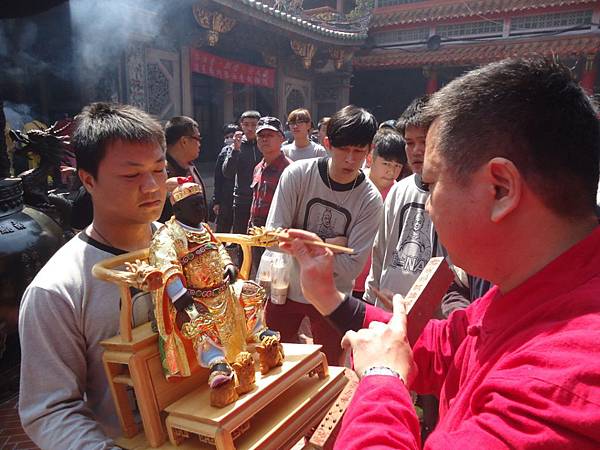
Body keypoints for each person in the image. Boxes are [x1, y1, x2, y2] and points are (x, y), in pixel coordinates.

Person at [281, 57, 600, 448]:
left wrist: (382, 378)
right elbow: (444, 346)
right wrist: (329, 298)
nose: (427, 205)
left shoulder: (560, 386)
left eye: (432, 185)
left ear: (499, 189)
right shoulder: (539, 286)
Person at [18, 102, 167, 449]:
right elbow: (50, 409)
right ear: (88, 179)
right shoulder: (59, 290)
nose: (152, 186)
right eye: (132, 175)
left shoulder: (184, 247)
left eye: (158, 170)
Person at [265, 105, 383, 364]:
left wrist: (299, 242)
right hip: (286, 289)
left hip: (333, 298)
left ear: (369, 151)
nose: (351, 160)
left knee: (330, 367)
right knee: (274, 361)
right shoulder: (297, 174)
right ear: (328, 144)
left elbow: (352, 267)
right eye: (344, 150)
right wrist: (332, 244)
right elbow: (273, 239)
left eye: (359, 151)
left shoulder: (370, 199)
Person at [149, 178, 278, 391]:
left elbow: (218, 249)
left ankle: (258, 331)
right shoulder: (168, 234)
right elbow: (165, 264)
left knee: (250, 291)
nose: (202, 208)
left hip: (223, 290)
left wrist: (228, 264)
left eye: (202, 202)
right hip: (196, 297)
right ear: (178, 209)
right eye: (195, 205)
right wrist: (178, 292)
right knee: (197, 318)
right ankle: (217, 362)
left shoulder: (204, 229)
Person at [352, 128, 406, 300]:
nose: (391, 171)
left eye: (397, 166)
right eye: (386, 164)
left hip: (377, 285)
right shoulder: (353, 184)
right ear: (370, 158)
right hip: (346, 276)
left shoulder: (401, 194)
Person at [248, 116, 292, 275]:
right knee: (259, 278)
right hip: (257, 234)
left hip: (277, 236)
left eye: (270, 135)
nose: (264, 139)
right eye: (261, 135)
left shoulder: (290, 170)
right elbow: (255, 200)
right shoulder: (258, 167)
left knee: (277, 280)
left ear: (282, 138)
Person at [160, 116, 207, 222]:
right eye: (197, 139)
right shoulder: (160, 172)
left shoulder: (190, 166)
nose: (199, 144)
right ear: (184, 141)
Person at [222, 110, 262, 235]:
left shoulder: (264, 144)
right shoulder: (234, 146)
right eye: (246, 124)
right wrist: (236, 150)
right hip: (242, 200)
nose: (250, 128)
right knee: (242, 239)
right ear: (241, 125)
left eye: (254, 124)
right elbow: (227, 173)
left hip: (262, 199)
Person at [212, 123, 238, 232]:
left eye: (232, 136)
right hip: (226, 196)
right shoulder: (224, 152)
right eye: (227, 137)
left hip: (240, 196)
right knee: (223, 227)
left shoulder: (246, 150)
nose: (229, 139)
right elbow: (218, 178)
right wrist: (216, 201)